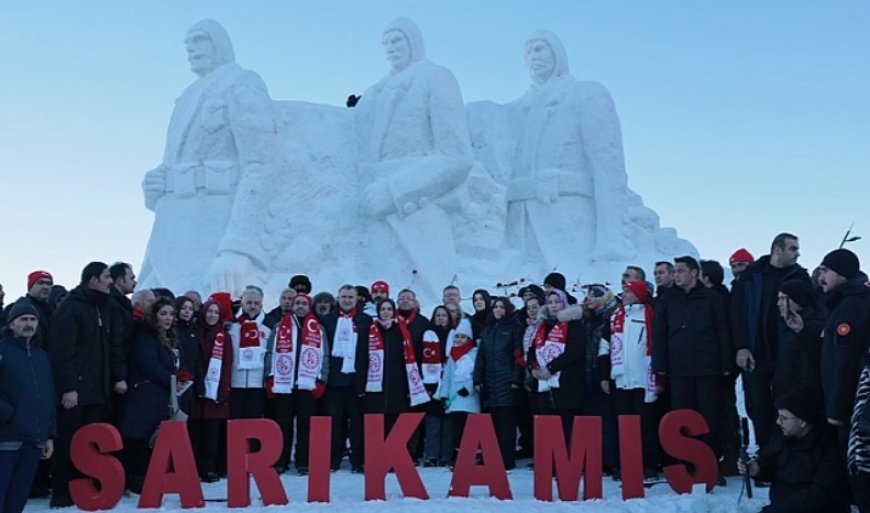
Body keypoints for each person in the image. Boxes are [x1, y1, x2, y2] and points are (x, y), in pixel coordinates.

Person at [139, 19, 278, 295]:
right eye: (187, 43)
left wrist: (238, 247)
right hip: (171, 229)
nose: (190, 48)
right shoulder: (185, 97)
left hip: (214, 228)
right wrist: (156, 183)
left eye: (199, 39)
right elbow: (174, 163)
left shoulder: (241, 82)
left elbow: (260, 165)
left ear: (219, 44)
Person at [355, 18, 474, 299]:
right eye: (386, 43)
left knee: (435, 296)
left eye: (397, 40)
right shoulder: (377, 91)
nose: (390, 48)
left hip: (418, 206)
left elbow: (457, 156)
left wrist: (395, 191)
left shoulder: (436, 77)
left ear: (414, 43)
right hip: (376, 209)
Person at [505, 30, 634, 267]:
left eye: (540, 48)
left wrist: (611, 239)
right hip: (520, 222)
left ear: (557, 54)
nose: (533, 55)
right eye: (528, 51)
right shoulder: (513, 110)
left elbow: (608, 167)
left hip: (568, 214)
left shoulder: (586, 93)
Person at [47, 262, 127, 508]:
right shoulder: (71, 308)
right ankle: (61, 492)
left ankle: (88, 486)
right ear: (92, 280)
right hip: (76, 393)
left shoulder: (105, 306)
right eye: (106, 277)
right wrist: (69, 387)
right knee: (69, 441)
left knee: (91, 444)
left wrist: (118, 377)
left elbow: (115, 346)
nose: (110, 281)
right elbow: (62, 352)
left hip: (99, 390)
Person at [653, 256, 732, 476]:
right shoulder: (667, 300)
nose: (676, 275)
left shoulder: (712, 299)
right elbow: (659, 334)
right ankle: (686, 467)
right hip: (678, 370)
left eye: (680, 271)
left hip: (708, 368)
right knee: (681, 417)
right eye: (675, 271)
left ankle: (710, 466)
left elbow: (723, 332)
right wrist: (660, 364)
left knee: (709, 418)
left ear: (694, 273)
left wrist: (726, 364)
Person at [732, 233, 810, 452]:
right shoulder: (751, 275)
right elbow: (736, 312)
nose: (797, 253)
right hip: (755, 353)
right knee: (757, 406)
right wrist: (741, 346)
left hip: (787, 354)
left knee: (787, 406)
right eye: (792, 248)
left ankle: (786, 456)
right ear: (777, 249)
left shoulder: (800, 276)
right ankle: (766, 455)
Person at [739, 386, 849, 513]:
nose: (778, 421)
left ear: (802, 422)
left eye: (784, 418)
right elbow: (769, 459)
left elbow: (821, 493)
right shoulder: (783, 436)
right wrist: (757, 468)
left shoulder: (829, 446)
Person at [598, 280, 660, 482]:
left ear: (639, 294)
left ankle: (649, 464)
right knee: (623, 424)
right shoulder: (615, 316)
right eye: (623, 291)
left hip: (644, 379)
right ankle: (625, 463)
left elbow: (658, 343)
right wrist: (604, 374)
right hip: (621, 379)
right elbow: (604, 347)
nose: (623, 295)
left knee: (646, 424)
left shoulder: (650, 314)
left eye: (628, 291)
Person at [118, 298, 179, 493]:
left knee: (151, 438)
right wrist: (173, 380)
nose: (168, 318)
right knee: (139, 438)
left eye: (171, 314)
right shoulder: (145, 337)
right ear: (154, 316)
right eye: (163, 314)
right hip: (143, 396)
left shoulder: (170, 338)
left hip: (158, 396)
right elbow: (150, 365)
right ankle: (135, 479)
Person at [0, 302, 56, 513]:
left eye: (32, 320)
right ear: (11, 324)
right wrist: (8, 415)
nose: (28, 324)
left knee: (17, 500)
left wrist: (49, 434)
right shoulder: (2, 351)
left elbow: (48, 395)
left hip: (34, 440)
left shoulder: (42, 356)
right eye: (23, 319)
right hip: (6, 440)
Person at [264, 293, 329, 475]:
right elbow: (270, 353)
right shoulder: (279, 327)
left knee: (305, 425)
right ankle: (281, 461)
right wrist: (269, 377)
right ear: (292, 306)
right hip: (284, 384)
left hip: (307, 385)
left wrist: (322, 380)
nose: (300, 306)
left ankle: (303, 461)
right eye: (297, 303)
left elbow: (324, 357)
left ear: (309, 307)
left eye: (304, 304)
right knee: (283, 424)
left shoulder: (319, 329)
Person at [817, 249, 869, 452]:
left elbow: (845, 360)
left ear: (841, 273)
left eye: (825, 271)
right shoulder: (844, 302)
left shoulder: (850, 306)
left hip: (850, 407)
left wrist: (837, 410)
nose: (821, 278)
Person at [320, 285, 371, 473]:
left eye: (351, 297)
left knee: (357, 424)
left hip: (356, 381)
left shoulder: (365, 321)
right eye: (344, 296)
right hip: (334, 381)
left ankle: (358, 460)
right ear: (338, 298)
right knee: (334, 423)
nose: (347, 300)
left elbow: (367, 352)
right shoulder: (327, 321)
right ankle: (333, 459)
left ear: (357, 299)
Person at [365, 299, 430, 435]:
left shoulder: (401, 331)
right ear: (378, 312)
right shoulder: (371, 330)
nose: (386, 312)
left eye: (389, 309)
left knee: (395, 419)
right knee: (377, 420)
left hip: (397, 382)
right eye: (383, 309)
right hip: (376, 383)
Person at [474, 296, 524, 470]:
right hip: (489, 381)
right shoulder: (488, 329)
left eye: (502, 307)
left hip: (507, 381)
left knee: (506, 424)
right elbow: (481, 356)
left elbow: (519, 355)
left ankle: (506, 459)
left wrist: (516, 379)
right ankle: (491, 457)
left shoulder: (514, 327)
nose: (498, 310)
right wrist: (477, 378)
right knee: (491, 423)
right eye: (496, 307)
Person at [189, 299, 233, 483]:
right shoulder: (194, 332)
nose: (212, 315)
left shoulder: (223, 335)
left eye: (216, 312)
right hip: (196, 390)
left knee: (212, 434)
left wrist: (223, 390)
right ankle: (192, 467)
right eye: (209, 311)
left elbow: (227, 363)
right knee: (195, 432)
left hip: (215, 390)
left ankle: (208, 469)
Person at [437, 319, 480, 466]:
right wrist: (444, 394)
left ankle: (472, 455)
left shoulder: (475, 354)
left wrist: (469, 388)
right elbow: (447, 377)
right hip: (455, 400)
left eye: (463, 337)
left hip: (469, 398)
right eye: (457, 336)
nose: (460, 340)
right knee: (457, 429)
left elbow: (477, 374)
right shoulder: (452, 356)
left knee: (469, 428)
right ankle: (459, 456)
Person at [773, 280, 824, 401]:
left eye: (783, 299)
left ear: (798, 299)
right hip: (787, 394)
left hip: (803, 398)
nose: (778, 304)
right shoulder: (788, 325)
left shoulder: (815, 326)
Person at [228, 287, 271, 421]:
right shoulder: (231, 327)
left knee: (253, 426)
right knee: (235, 426)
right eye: (249, 302)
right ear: (242, 304)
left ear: (261, 305)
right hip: (235, 386)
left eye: (256, 303)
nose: (252, 306)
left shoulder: (268, 329)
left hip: (257, 387)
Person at [421, 305, 452, 467]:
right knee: (433, 421)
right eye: (438, 315)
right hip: (431, 383)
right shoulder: (427, 335)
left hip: (449, 383)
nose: (441, 318)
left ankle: (446, 455)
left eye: (444, 315)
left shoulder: (454, 335)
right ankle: (432, 455)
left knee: (448, 421)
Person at [2, 270, 54, 344]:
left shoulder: (51, 310)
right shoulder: (14, 308)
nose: (45, 287)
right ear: (31, 287)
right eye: (40, 283)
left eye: (49, 284)